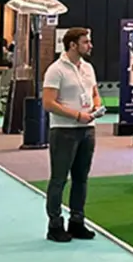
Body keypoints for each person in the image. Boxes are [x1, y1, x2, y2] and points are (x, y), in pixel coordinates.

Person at [41, 27, 100, 243]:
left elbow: (95, 93)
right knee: (59, 179)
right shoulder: (55, 70)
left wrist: (96, 107)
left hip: (87, 130)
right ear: (73, 45)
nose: (90, 45)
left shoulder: (88, 68)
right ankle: (54, 225)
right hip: (63, 131)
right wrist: (76, 115)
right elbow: (48, 103)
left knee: (81, 179)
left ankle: (77, 222)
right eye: (86, 42)